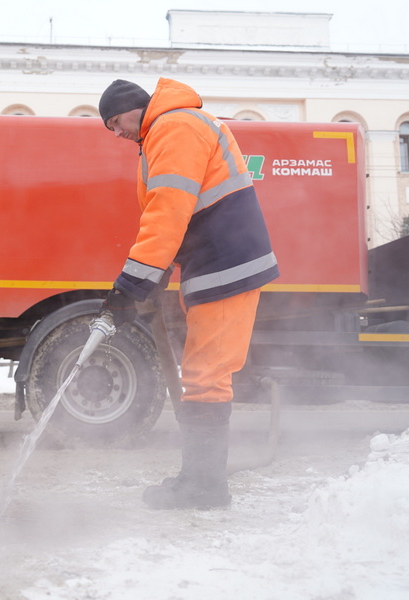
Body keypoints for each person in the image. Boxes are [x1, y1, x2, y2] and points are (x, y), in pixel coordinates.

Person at [98, 77, 279, 510]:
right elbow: (182, 209)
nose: (117, 133)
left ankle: (205, 488)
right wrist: (156, 274)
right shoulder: (173, 126)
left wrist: (131, 284)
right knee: (202, 375)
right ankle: (196, 479)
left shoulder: (174, 126)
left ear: (132, 107)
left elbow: (168, 209)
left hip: (224, 263)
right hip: (218, 263)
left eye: (116, 122)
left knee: (207, 378)